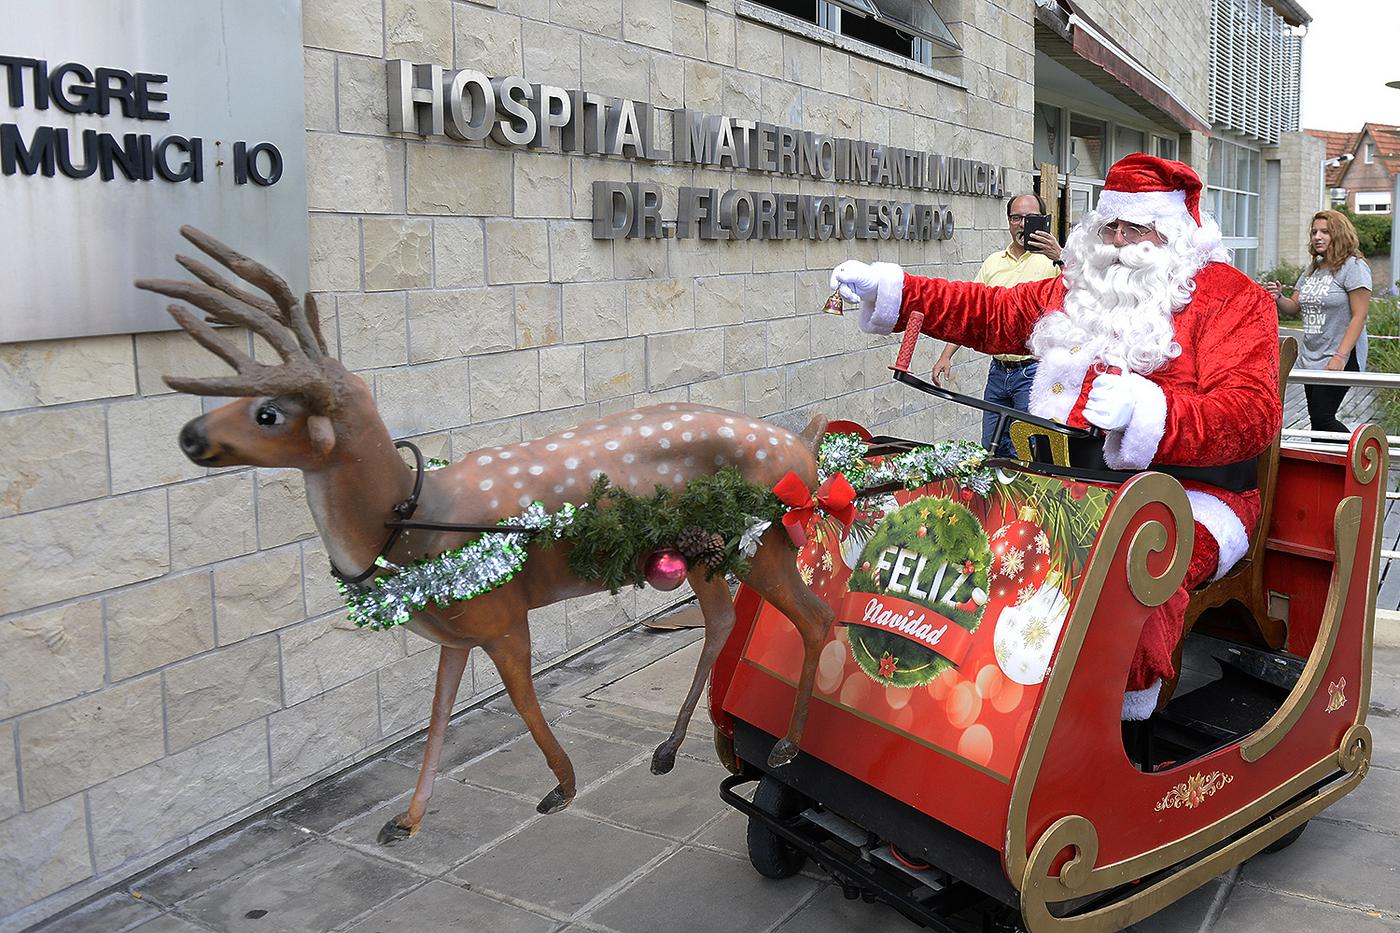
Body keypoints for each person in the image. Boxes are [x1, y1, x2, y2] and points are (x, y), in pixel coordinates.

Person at [830, 154, 1282, 721]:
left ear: (1173, 234)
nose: (1120, 243)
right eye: (1110, 228)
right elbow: (987, 312)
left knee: (1115, 573)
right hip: (1073, 482)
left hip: (1188, 494)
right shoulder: (1075, 289)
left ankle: (1115, 733)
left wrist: (1152, 412)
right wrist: (896, 290)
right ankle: (987, 706)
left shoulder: (1231, 297)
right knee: (974, 538)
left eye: (1137, 229)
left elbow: (1252, 414)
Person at [930, 194, 1063, 457]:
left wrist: (1060, 255)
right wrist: (946, 355)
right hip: (998, 373)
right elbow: (973, 312)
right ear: (1008, 222)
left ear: (1042, 220)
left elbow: (1081, 291)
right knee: (990, 449)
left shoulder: (1053, 262)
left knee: (1025, 455)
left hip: (1033, 371)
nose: (1022, 224)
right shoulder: (993, 263)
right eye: (1016, 218)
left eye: (1030, 218)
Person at [1264, 210, 1371, 434]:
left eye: (1325, 231)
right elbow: (1294, 308)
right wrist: (1279, 297)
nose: (1317, 237)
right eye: (1314, 232)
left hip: (1340, 356)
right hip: (1312, 356)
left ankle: (1362, 461)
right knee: (1317, 422)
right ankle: (1330, 467)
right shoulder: (1313, 269)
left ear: (1339, 234)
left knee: (1323, 418)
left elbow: (1359, 316)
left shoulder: (1354, 267)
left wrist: (1340, 357)